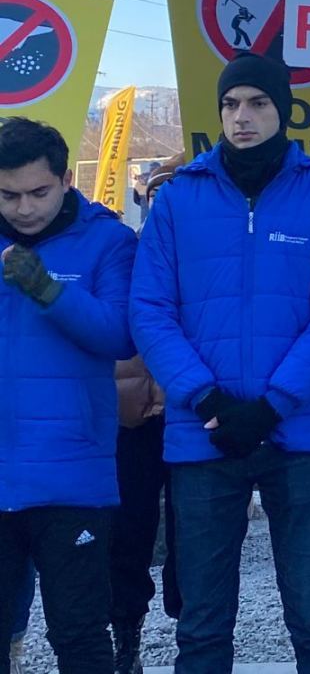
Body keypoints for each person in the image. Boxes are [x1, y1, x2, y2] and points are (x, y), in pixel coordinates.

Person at [129, 51, 310, 674]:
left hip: (298, 434)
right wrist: (207, 400)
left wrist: (272, 405)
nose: (243, 116)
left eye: (258, 102)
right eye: (231, 104)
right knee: (202, 622)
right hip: (203, 434)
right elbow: (149, 310)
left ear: (283, 109)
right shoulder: (178, 201)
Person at [0, 118, 138, 674]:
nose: (24, 208)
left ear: (65, 180)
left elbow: (121, 335)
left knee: (78, 635)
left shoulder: (108, 239)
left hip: (72, 471)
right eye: (8, 195)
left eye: (39, 192)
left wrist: (48, 290)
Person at [111, 155, 187, 674]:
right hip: (131, 417)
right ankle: (126, 637)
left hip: (190, 416)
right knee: (126, 534)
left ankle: (192, 631)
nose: (161, 205)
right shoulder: (125, 255)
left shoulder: (209, 257)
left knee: (194, 536)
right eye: (155, 196)